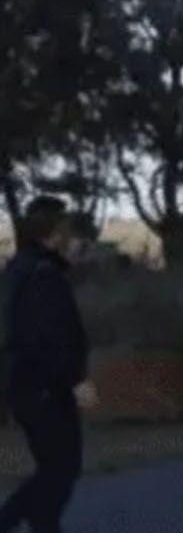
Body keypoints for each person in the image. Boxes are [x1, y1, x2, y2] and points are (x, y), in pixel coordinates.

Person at [0, 196, 95, 533]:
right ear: (53, 232)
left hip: (26, 384)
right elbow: (54, 336)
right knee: (61, 468)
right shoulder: (43, 274)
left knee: (55, 468)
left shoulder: (24, 267)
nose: (70, 235)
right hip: (43, 388)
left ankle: (44, 525)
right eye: (66, 228)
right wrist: (76, 381)